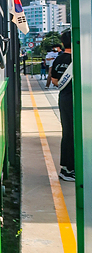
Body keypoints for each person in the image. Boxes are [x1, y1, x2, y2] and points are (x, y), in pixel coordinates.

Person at [51, 30, 74, 181]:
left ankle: (66, 167)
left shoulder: (58, 59)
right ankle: (69, 170)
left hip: (64, 98)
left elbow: (55, 81)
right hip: (75, 99)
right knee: (75, 133)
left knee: (68, 132)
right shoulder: (77, 59)